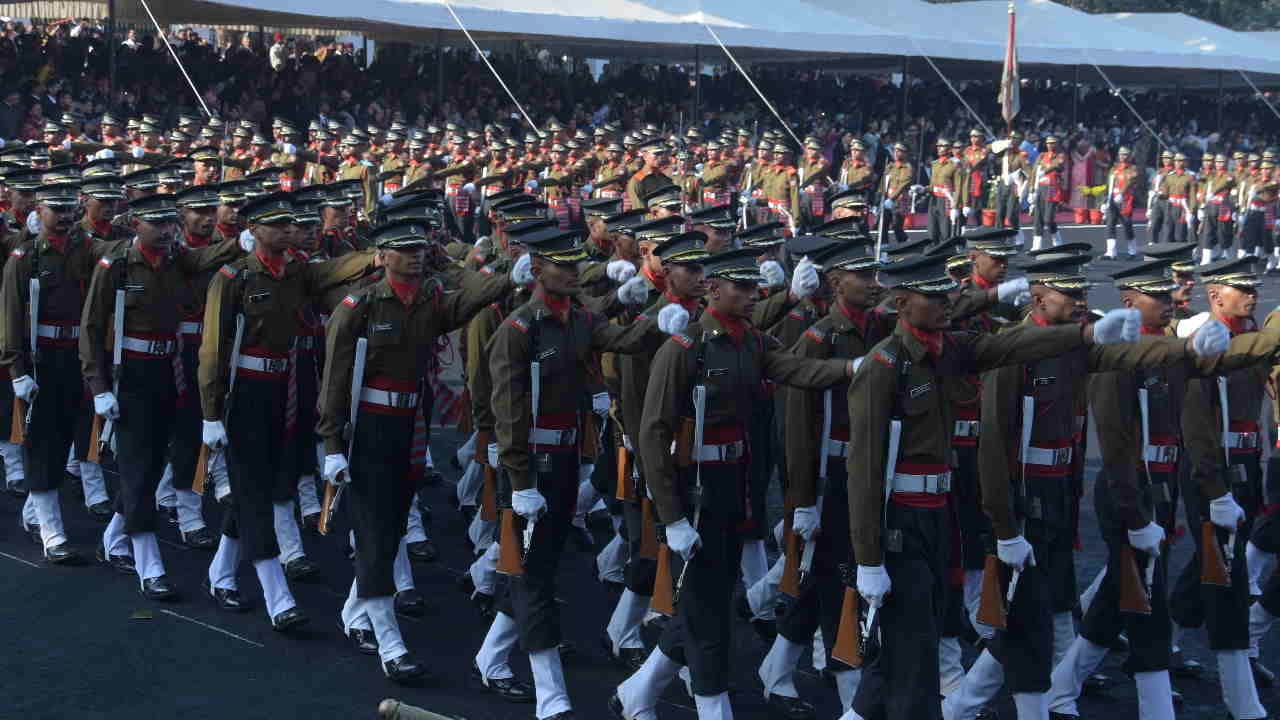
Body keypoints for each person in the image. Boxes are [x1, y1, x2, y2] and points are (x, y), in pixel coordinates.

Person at [842, 251, 1142, 720]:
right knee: (912, 653)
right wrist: (869, 560)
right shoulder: (884, 365)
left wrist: (1085, 334)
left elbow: (1011, 345)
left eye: (946, 294)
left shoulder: (948, 349)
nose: (946, 303)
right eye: (933, 296)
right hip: (900, 523)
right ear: (901, 303)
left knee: (913, 639)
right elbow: (864, 471)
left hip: (937, 516)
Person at [950, 247, 1212, 720]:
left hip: (1058, 492)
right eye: (1068, 293)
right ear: (1038, 298)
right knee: (1026, 615)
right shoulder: (1013, 350)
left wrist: (1188, 347)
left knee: (1045, 608)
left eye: (1081, 292)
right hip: (1026, 497)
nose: (1080, 300)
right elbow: (994, 448)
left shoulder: (1076, 344)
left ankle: (1013, 699)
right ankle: (973, 704)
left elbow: (1131, 355)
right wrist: (1005, 528)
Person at [611, 247, 853, 720]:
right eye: (740, 287)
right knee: (707, 615)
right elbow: (653, 435)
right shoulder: (685, 348)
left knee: (710, 601)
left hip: (731, 487)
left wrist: (852, 369)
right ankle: (713, 707)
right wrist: (672, 518)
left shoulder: (753, 343)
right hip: (694, 492)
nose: (751, 294)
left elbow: (798, 370)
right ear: (713, 290)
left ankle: (636, 694)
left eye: (752, 287)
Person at [472, 225, 668, 720]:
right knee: (532, 579)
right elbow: (508, 413)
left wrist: (657, 315)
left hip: (562, 462)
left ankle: (491, 658)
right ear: (538, 270)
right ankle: (551, 695)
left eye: (576, 264)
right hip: (531, 466)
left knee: (535, 566)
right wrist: (520, 483)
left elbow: (620, 339)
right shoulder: (519, 329)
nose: (573, 272)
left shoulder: (577, 318)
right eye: (562, 265)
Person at [318, 217, 521, 683]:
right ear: (382, 256)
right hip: (368, 427)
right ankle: (391, 645)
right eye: (405, 250)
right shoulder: (359, 306)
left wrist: (498, 274)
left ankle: (355, 612)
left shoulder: (431, 300)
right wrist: (331, 444)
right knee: (374, 529)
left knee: (391, 527)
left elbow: (475, 297)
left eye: (420, 249)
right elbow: (334, 382)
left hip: (409, 425)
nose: (415, 256)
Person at [197, 192, 376, 629]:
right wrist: (211, 413)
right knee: (253, 490)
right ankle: (277, 595)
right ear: (253, 230)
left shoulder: (298, 272)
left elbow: (334, 270)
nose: (289, 231)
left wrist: (376, 257)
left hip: (286, 390)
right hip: (245, 393)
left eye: (291, 224)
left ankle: (221, 574)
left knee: (262, 486)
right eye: (278, 225)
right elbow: (213, 350)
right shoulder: (233, 277)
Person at [80, 190, 242, 596]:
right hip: (132, 375)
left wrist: (242, 241)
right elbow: (92, 328)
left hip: (172, 371)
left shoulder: (176, 258)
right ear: (136, 224)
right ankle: (149, 565)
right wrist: (99, 387)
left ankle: (113, 540)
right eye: (158, 223)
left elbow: (204, 258)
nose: (167, 231)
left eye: (171, 223)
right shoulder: (116, 264)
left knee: (152, 468)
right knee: (138, 466)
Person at [762, 239, 887, 719]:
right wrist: (801, 500)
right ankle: (848, 686)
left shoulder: (879, 326)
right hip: (830, 477)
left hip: (865, 472)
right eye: (864, 276)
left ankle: (775, 670)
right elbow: (797, 428)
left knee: (821, 579)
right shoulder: (819, 338)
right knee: (840, 581)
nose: (874, 284)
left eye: (875, 275)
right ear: (836, 282)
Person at [1169, 256, 1272, 720]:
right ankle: (1240, 695)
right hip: (1212, 468)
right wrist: (1215, 489)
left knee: (1212, 564)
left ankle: (1162, 641)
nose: (1252, 295)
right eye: (1241, 289)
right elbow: (1197, 428)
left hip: (1246, 462)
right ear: (1216, 295)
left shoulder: (1250, 333)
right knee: (1227, 576)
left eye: (1253, 288)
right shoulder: (1205, 341)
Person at [2, 181, 125, 563]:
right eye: (57, 210)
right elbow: (10, 317)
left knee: (74, 435)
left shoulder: (85, 247)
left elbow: (117, 251)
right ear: (40, 211)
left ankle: (34, 514)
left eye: (70, 209)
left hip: (79, 357)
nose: (66, 217)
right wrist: (16, 370)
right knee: (43, 442)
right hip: (43, 360)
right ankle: (52, 533)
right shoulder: (25, 257)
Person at [1101, 147, 1140, 261]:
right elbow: (1109, 185)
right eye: (1121, 154)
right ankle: (1111, 252)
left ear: (1130, 156)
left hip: (1126, 200)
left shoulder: (1132, 169)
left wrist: (1121, 194)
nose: (1123, 156)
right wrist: (1105, 201)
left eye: (1125, 154)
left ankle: (1132, 251)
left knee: (1127, 225)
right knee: (1110, 224)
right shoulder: (1114, 169)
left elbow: (1131, 182)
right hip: (1113, 199)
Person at [1030, 136, 1065, 251]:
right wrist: (1031, 188)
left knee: (1048, 219)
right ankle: (1037, 245)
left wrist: (1044, 170)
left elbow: (1057, 165)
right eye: (1048, 143)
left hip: (1052, 190)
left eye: (1053, 143)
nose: (1050, 145)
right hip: (1041, 188)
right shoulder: (1041, 155)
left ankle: (1057, 241)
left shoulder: (1060, 155)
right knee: (1038, 218)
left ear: (1057, 144)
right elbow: (1034, 172)